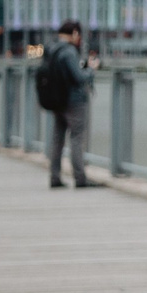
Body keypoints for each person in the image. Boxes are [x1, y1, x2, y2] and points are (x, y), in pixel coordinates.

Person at [40, 19, 100, 190]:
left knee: (57, 139)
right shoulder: (69, 52)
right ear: (74, 33)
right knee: (76, 139)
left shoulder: (51, 49)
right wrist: (91, 69)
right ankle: (80, 178)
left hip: (56, 101)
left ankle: (55, 177)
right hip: (74, 102)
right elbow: (79, 78)